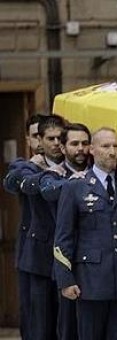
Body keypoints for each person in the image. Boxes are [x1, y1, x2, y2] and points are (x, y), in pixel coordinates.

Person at [53, 127, 117, 340]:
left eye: (116, 146)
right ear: (92, 149)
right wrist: (65, 279)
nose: (112, 151)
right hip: (91, 281)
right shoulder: (76, 187)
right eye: (105, 146)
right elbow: (64, 236)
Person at [36, 122, 91, 340]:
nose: (80, 149)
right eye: (74, 143)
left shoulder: (102, 173)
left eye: (85, 143)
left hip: (98, 267)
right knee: (68, 328)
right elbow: (47, 191)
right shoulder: (54, 175)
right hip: (67, 264)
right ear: (63, 147)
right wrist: (70, 183)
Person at [18, 114, 66, 340]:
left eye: (59, 137)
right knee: (38, 324)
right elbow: (14, 181)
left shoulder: (76, 167)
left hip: (69, 258)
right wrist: (41, 170)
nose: (53, 142)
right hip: (38, 257)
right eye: (43, 137)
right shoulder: (27, 167)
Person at [3, 113, 44, 340]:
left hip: (60, 255)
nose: (40, 142)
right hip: (30, 254)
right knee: (32, 319)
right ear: (28, 139)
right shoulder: (22, 165)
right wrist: (31, 165)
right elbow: (11, 182)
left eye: (43, 136)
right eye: (35, 136)